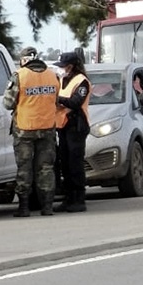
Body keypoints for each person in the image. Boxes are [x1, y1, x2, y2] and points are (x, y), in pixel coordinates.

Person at [2, 46, 60, 217]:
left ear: (24, 60)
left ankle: (24, 207)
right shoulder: (52, 75)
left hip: (24, 130)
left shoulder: (20, 76)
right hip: (48, 128)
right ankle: (47, 206)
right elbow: (56, 100)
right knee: (46, 168)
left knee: (24, 169)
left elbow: (8, 103)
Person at [54, 50, 91, 213]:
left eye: (65, 66)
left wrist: (59, 101)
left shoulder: (81, 81)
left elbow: (76, 102)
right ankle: (68, 198)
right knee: (65, 163)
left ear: (73, 66)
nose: (63, 69)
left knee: (75, 163)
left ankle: (79, 199)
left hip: (76, 125)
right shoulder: (61, 80)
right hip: (62, 126)